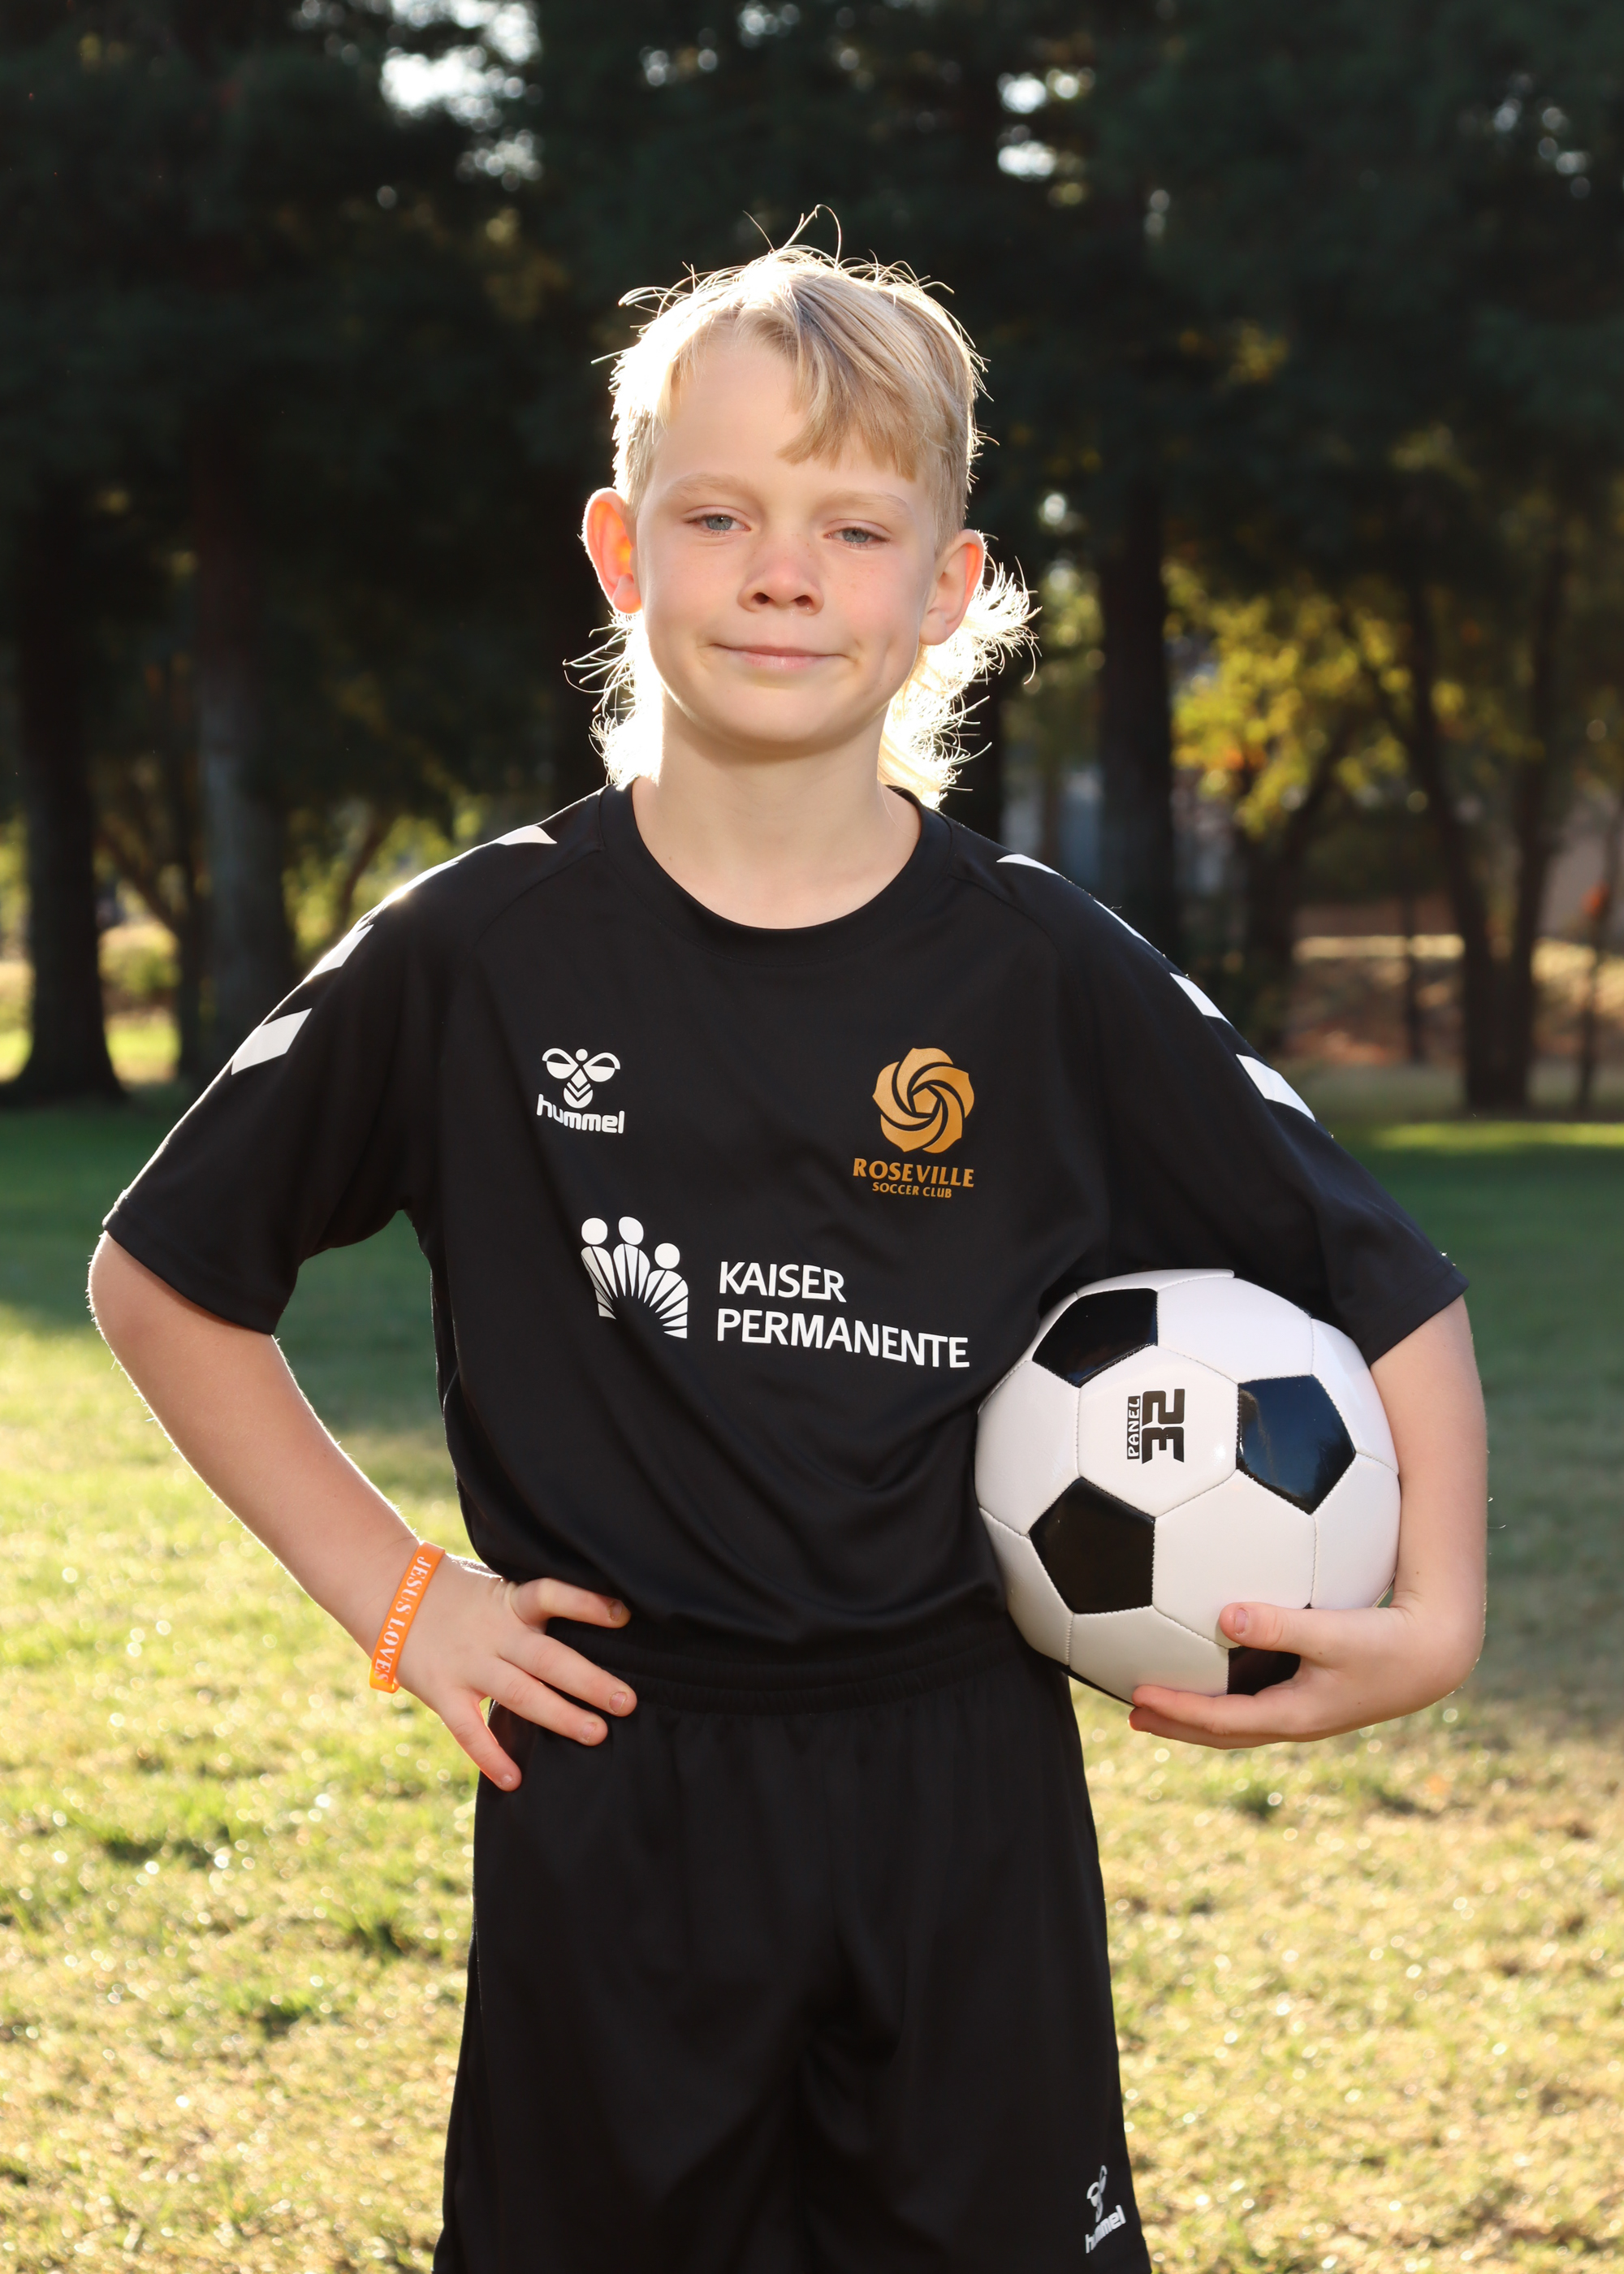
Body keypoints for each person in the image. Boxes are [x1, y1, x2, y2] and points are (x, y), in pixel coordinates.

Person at [89, 245, 1488, 2274]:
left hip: (961, 1790)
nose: (780, 574)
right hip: (612, 1777)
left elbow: (1381, 1273)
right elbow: (164, 1276)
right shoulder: (478, 949)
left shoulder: (1042, 969)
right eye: (718, 516)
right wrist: (404, 1599)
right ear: (618, 549)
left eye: (851, 527)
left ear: (945, 586)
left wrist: (1437, 1617)